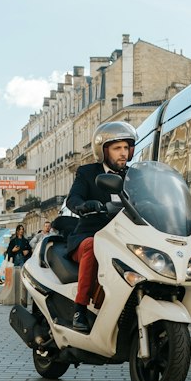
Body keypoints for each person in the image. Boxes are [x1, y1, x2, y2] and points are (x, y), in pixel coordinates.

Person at [65, 119, 136, 329]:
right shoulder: (87, 172)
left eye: (126, 148)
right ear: (104, 151)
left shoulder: (134, 175)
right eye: (117, 148)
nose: (123, 153)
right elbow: (73, 199)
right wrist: (85, 205)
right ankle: (80, 309)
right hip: (91, 235)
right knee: (92, 246)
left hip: (125, 237)